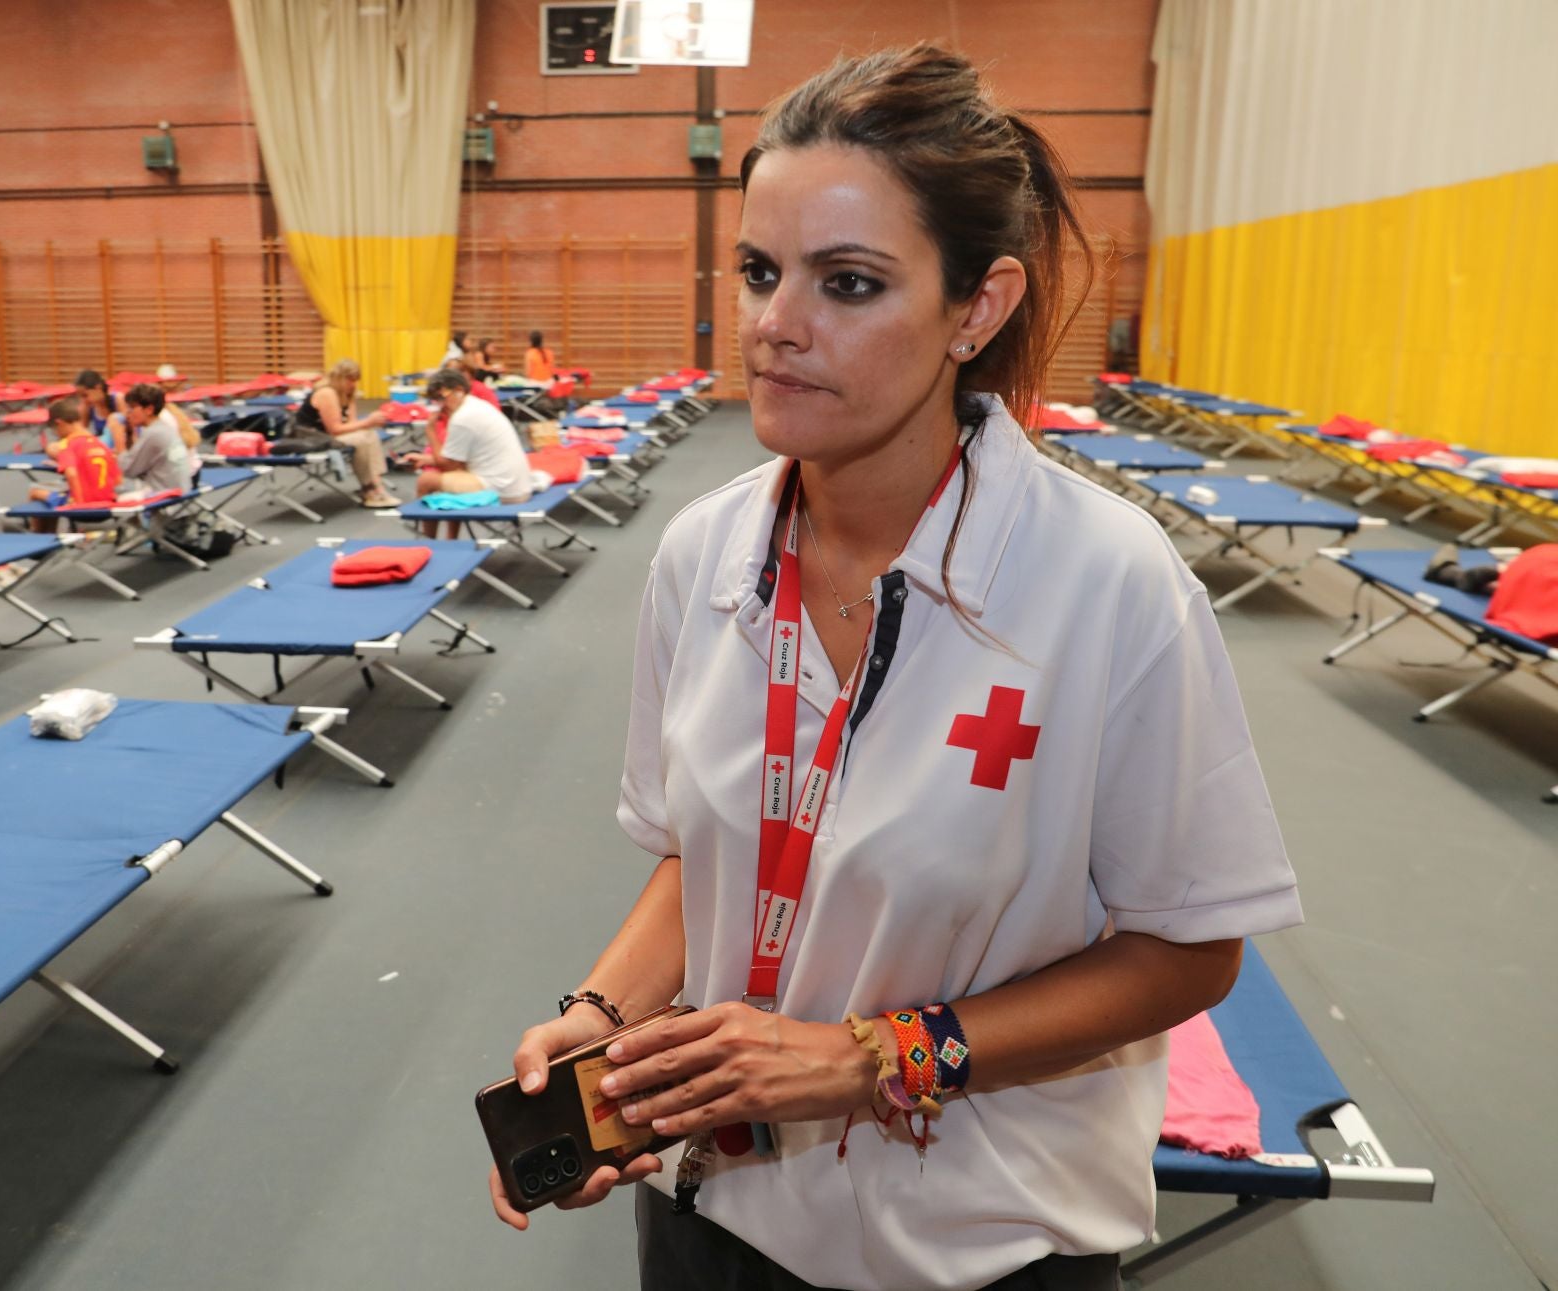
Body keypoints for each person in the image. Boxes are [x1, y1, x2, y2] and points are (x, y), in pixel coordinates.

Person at [489, 45, 1300, 1291]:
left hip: (981, 1247)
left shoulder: (1105, 584)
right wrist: (603, 1023)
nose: (776, 323)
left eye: (849, 283)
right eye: (760, 272)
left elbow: (1189, 949)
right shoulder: (703, 557)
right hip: (717, 1221)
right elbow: (701, 857)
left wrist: (866, 1058)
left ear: (977, 308)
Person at [409, 368, 531, 506]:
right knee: (445, 476)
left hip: (503, 491)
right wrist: (427, 459)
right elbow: (459, 461)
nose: (440, 406)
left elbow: (449, 466)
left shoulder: (462, 418)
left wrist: (430, 430)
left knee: (426, 480)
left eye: (442, 398)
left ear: (459, 390)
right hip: (514, 485)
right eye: (435, 400)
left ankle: (418, 516)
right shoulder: (475, 405)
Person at [295, 359, 400, 508]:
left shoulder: (347, 394)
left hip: (328, 436)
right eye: (350, 380)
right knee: (361, 439)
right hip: (311, 438)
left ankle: (375, 485)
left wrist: (368, 424)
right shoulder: (327, 393)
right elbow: (335, 429)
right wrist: (368, 422)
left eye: (355, 380)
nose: (353, 384)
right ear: (340, 378)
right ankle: (369, 487)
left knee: (369, 434)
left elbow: (352, 425)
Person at [27, 395, 120, 532]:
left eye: (55, 430)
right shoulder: (101, 445)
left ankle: (40, 538)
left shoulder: (68, 445)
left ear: (59, 423)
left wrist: (78, 503)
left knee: (35, 493)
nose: (57, 435)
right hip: (108, 506)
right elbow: (117, 480)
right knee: (58, 496)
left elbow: (71, 474)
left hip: (83, 509)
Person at [115, 382, 195, 497]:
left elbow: (127, 470)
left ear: (149, 409)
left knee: (112, 483)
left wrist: (119, 441)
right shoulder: (163, 427)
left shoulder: (153, 433)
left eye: (132, 408)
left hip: (166, 495)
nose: (128, 413)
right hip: (183, 489)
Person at [73, 369, 125, 445]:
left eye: (85, 395)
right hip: (101, 446)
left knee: (116, 418)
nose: (83, 400)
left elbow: (129, 431)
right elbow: (79, 434)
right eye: (80, 397)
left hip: (120, 443)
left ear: (98, 388)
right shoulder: (86, 406)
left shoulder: (118, 399)